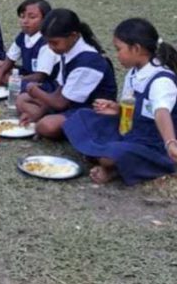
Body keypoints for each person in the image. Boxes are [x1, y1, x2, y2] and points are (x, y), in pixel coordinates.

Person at [63, 18, 177, 185]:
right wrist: (117, 109)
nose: (117, 55)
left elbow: (161, 112)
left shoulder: (161, 80)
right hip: (129, 132)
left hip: (154, 145)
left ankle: (112, 167)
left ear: (136, 49)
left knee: (113, 154)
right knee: (81, 117)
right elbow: (133, 107)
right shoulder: (134, 72)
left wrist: (171, 143)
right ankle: (105, 158)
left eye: (119, 49)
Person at [16, 8, 117, 139]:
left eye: (54, 43)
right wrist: (39, 112)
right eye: (48, 43)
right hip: (71, 104)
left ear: (73, 36)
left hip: (92, 110)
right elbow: (60, 90)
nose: (51, 48)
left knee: (46, 126)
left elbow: (60, 103)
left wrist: (35, 91)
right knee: (21, 99)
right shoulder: (68, 49)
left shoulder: (89, 61)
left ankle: (74, 128)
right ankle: (54, 120)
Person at [0, 0, 57, 90]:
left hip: (42, 80)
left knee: (31, 88)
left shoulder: (46, 43)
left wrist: (15, 79)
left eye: (32, 17)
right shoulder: (23, 36)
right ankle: (11, 83)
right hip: (26, 72)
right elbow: (10, 58)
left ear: (45, 20)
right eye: (22, 16)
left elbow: (40, 77)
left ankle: (12, 84)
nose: (25, 21)